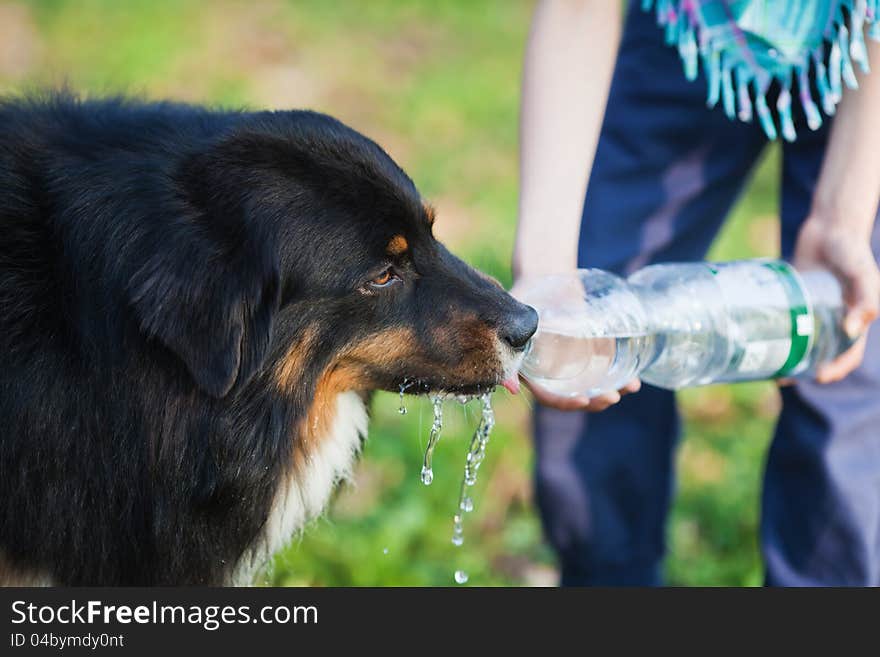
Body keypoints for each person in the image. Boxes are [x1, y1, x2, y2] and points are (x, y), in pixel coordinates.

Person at [513, 0, 880, 586]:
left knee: (847, 372)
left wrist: (843, 215)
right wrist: (547, 267)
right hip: (689, 31)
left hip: (867, 57)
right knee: (584, 337)